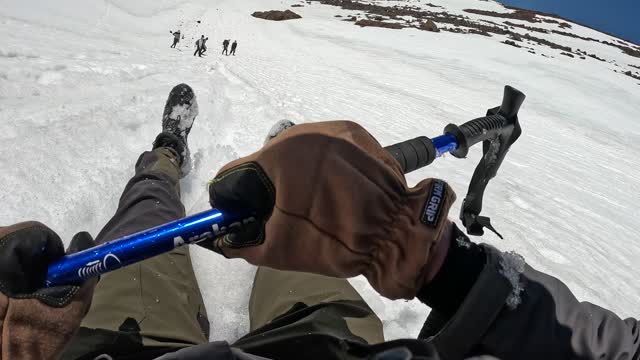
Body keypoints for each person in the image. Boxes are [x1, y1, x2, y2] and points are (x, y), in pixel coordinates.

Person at [1, 84, 639, 360]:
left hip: (114, 354)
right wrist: (432, 259)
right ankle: (170, 154)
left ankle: (164, 159)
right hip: (324, 353)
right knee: (308, 278)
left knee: (143, 231)